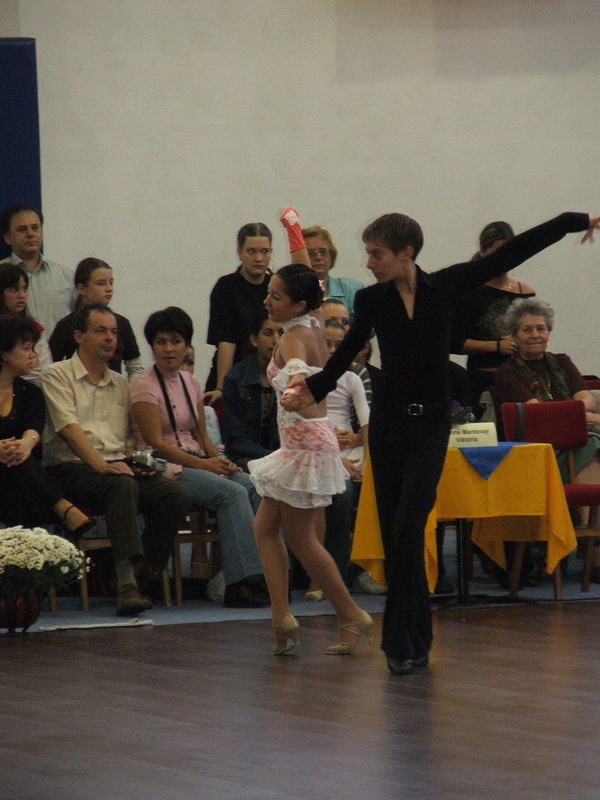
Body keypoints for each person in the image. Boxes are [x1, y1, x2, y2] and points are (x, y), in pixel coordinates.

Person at [283, 210, 600, 675]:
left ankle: (409, 639)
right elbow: (346, 353)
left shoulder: (447, 286)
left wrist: (574, 220)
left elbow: (512, 252)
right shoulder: (372, 299)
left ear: (406, 253)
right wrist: (310, 389)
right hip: (388, 428)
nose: (368, 262)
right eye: (368, 253)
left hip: (430, 428)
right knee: (396, 536)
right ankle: (405, 642)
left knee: (410, 527)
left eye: (376, 253)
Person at [249, 208, 372, 657]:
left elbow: (301, 378)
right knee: (265, 527)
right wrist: (292, 228)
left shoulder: (292, 340)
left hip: (304, 443)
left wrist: (294, 392)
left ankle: (350, 614)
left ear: (297, 305)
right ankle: (281, 618)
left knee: (301, 539)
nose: (268, 300)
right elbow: (305, 270)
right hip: (306, 441)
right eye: (269, 292)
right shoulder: (314, 316)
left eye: (276, 296)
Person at [41, 303, 191, 616]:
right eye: (101, 331)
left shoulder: (121, 383)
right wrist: (101, 465)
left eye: (113, 332)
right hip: (70, 469)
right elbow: (68, 429)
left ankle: (143, 571)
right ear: (79, 336)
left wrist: (139, 464)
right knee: (121, 485)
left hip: (115, 466)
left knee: (174, 494)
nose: (110, 338)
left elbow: (127, 442)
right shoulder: (57, 374)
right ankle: (126, 585)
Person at [130, 306, 271, 608]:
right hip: (164, 467)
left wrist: (219, 460)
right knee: (232, 494)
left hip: (196, 459)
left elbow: (201, 434)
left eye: (176, 341)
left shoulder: (191, 382)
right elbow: (155, 443)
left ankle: (261, 576)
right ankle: (239, 585)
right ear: (151, 346)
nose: (169, 349)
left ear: (187, 345)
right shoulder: (143, 386)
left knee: (254, 486)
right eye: (161, 342)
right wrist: (204, 465)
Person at [0, 314, 95, 534]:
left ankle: (24, 549)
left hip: (15, 475)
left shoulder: (30, 392)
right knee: (18, 466)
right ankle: (62, 508)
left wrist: (26, 444)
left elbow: (34, 426)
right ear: (4, 353)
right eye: (26, 348)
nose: (33, 355)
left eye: (34, 348)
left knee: (17, 463)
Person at [495, 296, 600, 484]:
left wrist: (580, 415)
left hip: (578, 432)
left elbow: (589, 400)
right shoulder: (507, 372)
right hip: (541, 444)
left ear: (548, 333)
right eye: (527, 330)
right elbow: (538, 412)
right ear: (514, 336)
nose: (535, 335)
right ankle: (585, 503)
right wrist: (588, 417)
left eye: (540, 328)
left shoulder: (562, 362)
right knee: (591, 443)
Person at [454, 221, 535, 415]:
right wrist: (497, 346)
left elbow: (536, 331)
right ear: (483, 251)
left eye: (511, 251)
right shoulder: (468, 291)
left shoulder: (525, 293)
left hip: (522, 378)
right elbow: (453, 343)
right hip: (483, 379)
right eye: (499, 251)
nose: (506, 258)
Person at [204, 222, 274, 405]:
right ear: (239, 253)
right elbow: (226, 341)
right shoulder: (226, 287)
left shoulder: (277, 287)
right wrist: (222, 388)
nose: (259, 258)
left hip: (270, 376)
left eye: (264, 251)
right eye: (251, 251)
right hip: (234, 373)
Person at [49, 257, 144, 383]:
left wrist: (129, 392)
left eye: (111, 282)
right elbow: (51, 367)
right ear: (82, 289)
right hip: (76, 390)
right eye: (101, 283)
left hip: (114, 389)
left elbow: (135, 368)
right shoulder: (66, 326)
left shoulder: (122, 323)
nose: (109, 288)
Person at [221, 309, 282, 472]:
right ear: (254, 340)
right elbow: (237, 440)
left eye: (281, 333)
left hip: (282, 458)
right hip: (245, 458)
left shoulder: (291, 375)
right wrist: (273, 457)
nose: (276, 340)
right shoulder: (235, 378)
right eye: (268, 333)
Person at [1, 204, 77, 333]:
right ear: (8, 237)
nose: (30, 234)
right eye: (22, 229)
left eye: (35, 228)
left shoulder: (66, 276)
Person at [0, 263, 52, 382]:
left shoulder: (34, 328)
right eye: (13, 290)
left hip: (32, 387)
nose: (22, 295)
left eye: (24, 289)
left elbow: (45, 370)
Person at [303, 225, 363, 318]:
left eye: (323, 252)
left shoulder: (352, 290)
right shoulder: (291, 293)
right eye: (310, 253)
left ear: (331, 256)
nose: (318, 257)